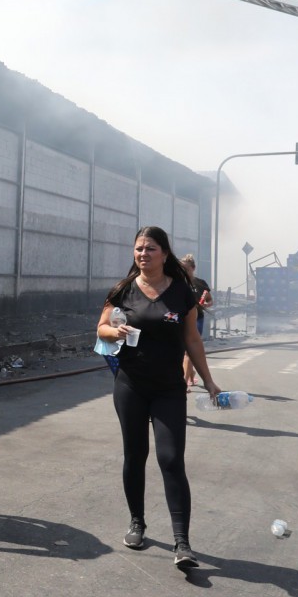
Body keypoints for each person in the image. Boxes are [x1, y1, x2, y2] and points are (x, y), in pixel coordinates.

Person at [95, 226, 221, 570]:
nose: (143, 254)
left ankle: (183, 542)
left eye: (150, 248)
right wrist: (114, 331)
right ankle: (137, 522)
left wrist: (209, 381)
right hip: (130, 386)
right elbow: (101, 328)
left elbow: (192, 339)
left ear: (165, 253)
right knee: (135, 456)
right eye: (138, 248)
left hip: (169, 389)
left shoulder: (182, 292)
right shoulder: (122, 290)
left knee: (171, 459)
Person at [179, 254, 213, 387]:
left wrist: (206, 304)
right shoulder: (177, 283)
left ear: (193, 268)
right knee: (181, 350)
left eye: (186, 269)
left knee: (189, 351)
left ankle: (184, 382)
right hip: (181, 319)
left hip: (197, 319)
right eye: (181, 269)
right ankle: (191, 373)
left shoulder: (200, 283)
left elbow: (209, 300)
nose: (184, 272)